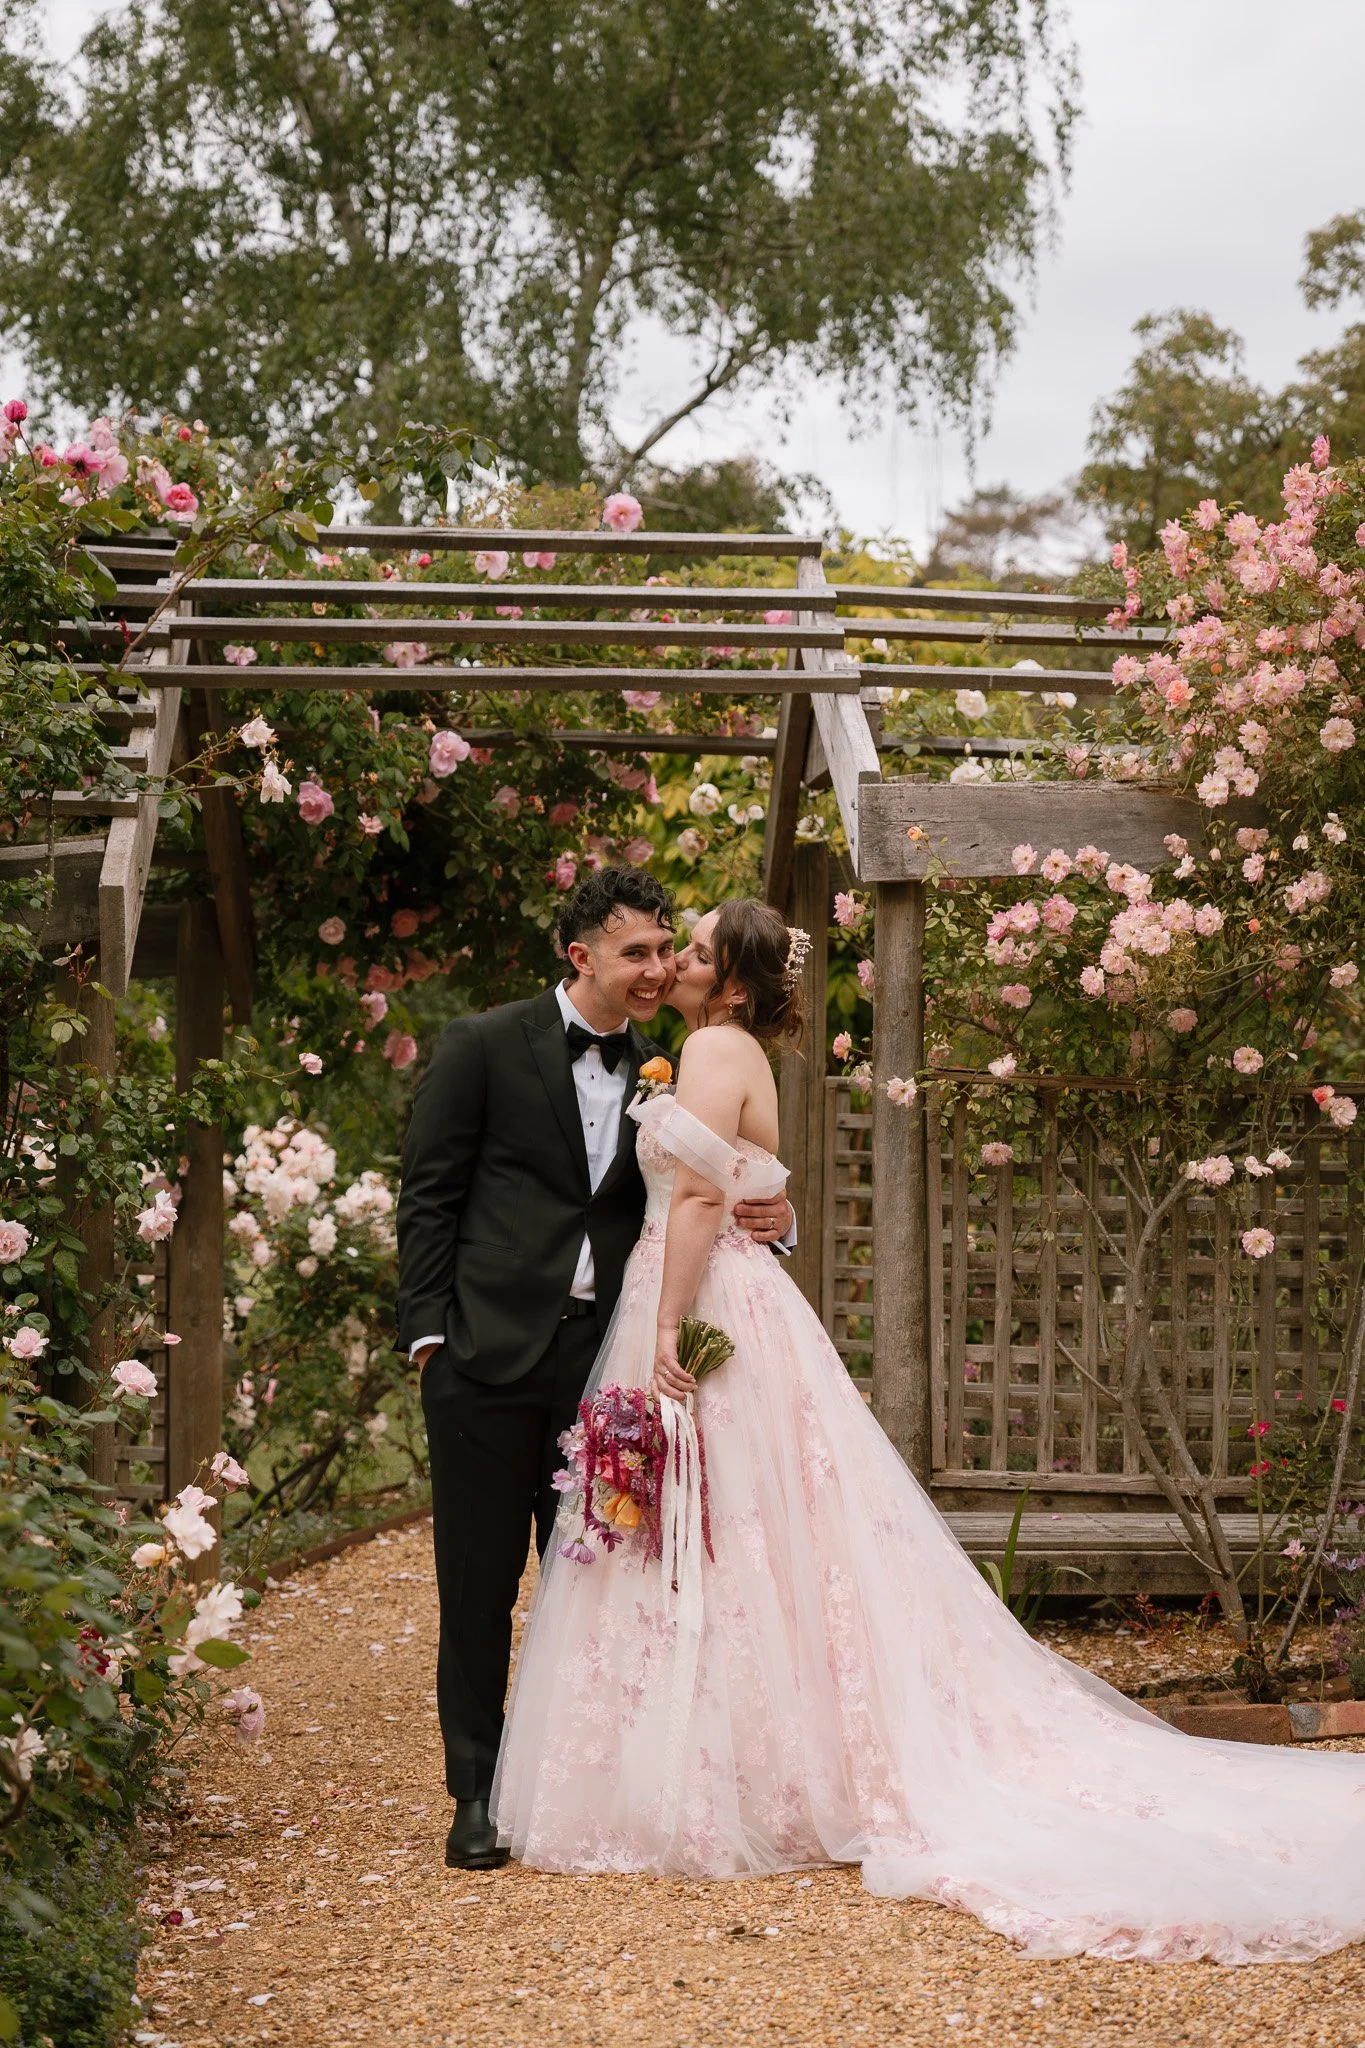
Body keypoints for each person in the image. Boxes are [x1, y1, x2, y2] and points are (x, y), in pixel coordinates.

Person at [493, 895, 1365, 1964]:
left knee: (732, 1524)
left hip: (704, 1302)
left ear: (727, 982)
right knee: (734, 1528)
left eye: (694, 951)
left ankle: (735, 1771)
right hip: (698, 1293)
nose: (672, 960)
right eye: (667, 948)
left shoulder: (714, 1046)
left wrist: (669, 1320)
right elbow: (737, 1182)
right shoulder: (703, 1045)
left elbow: (702, 1202)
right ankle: (715, 1754)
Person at [395, 868, 796, 1871]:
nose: (660, 967)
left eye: (670, 948)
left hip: (608, 1363)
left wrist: (779, 1220)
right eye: (639, 953)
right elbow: (429, 1195)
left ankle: (597, 1789)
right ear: (581, 957)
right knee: (478, 1588)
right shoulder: (483, 1044)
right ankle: (477, 1796)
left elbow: (720, 1182)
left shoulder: (681, 1055)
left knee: (612, 1586)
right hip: (483, 1359)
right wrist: (429, 1337)